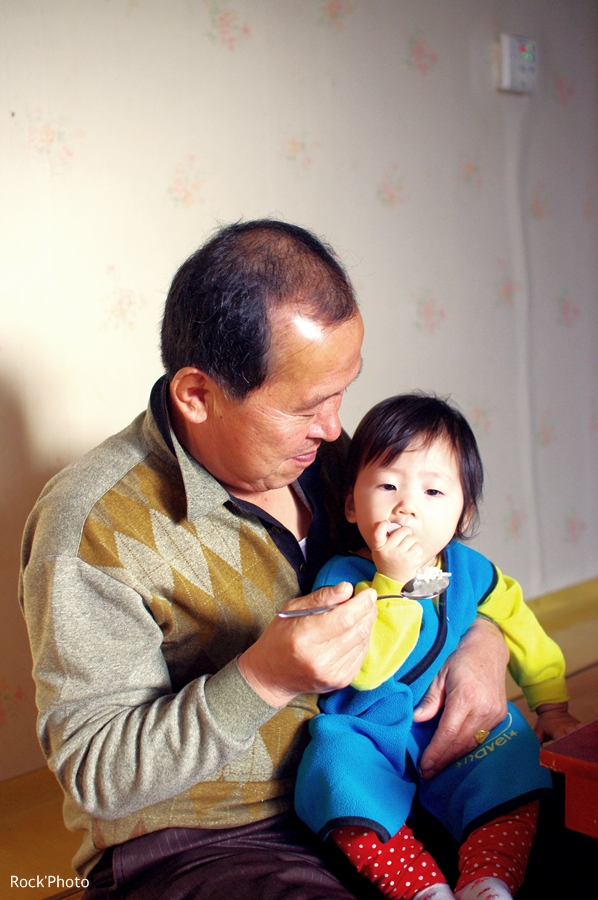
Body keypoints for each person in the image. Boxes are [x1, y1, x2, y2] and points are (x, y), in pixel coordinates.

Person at [20, 221, 510, 900]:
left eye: (342, 391)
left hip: (384, 775)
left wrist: (482, 640)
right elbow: (98, 773)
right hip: (212, 840)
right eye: (308, 406)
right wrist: (263, 679)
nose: (335, 427)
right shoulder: (92, 525)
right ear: (198, 395)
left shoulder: (326, 459)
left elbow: (433, 569)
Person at [295, 393, 580, 900]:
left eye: (432, 491)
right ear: (351, 504)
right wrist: (393, 582)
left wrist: (551, 704)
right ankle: (419, 885)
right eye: (387, 485)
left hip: (450, 721)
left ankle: (489, 876)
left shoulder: (470, 571)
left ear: (463, 512)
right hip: (368, 727)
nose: (406, 506)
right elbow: (366, 670)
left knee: (513, 755)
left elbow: (520, 624)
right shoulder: (343, 579)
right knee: (334, 771)